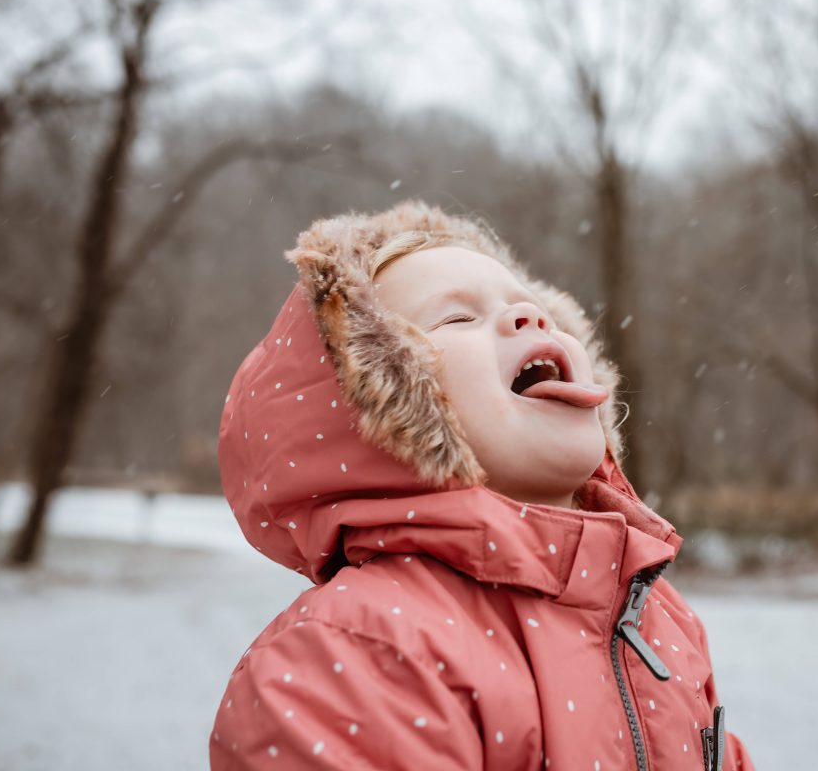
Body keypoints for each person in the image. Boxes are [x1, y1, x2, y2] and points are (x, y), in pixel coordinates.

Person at [209, 200, 756, 770]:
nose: (530, 318)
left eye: (533, 307)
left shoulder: (655, 617)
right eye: (457, 318)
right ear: (380, 409)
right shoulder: (355, 651)